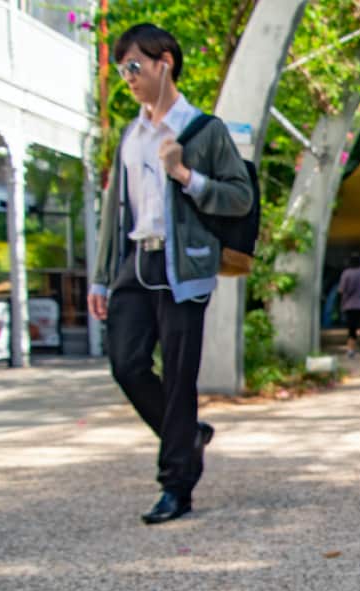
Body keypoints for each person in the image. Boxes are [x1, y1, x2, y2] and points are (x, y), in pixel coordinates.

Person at [87, 23, 253, 525]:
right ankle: (188, 436)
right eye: (122, 70)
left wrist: (186, 175)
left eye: (134, 67)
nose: (128, 78)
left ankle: (176, 485)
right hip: (135, 263)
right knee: (127, 364)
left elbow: (239, 196)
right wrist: (99, 277)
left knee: (180, 378)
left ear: (165, 63)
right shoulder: (131, 135)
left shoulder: (204, 132)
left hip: (184, 267)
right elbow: (114, 215)